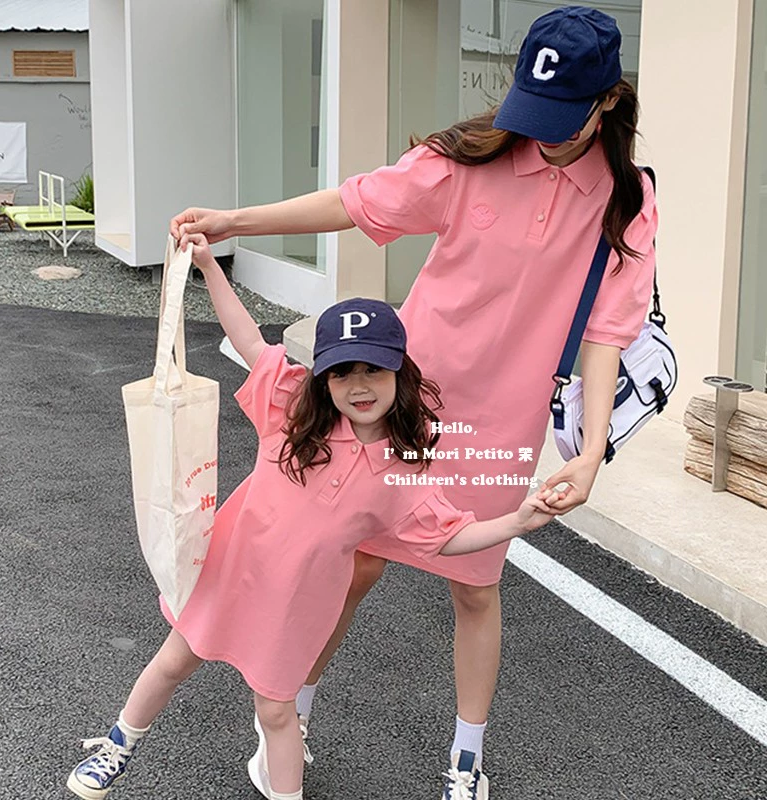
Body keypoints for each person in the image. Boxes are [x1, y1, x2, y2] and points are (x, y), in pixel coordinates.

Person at [170, 7, 657, 798]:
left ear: (607, 101)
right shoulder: (471, 161)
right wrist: (236, 222)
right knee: (352, 563)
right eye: (532, 110)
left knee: (475, 585)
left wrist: (591, 450)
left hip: (502, 422)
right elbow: (358, 202)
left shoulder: (627, 199)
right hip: (399, 405)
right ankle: (289, 715)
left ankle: (466, 758)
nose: (540, 133)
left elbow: (605, 334)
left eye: (563, 116)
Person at [66, 233, 566, 800]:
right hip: (228, 574)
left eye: (374, 370)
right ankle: (117, 746)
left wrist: (518, 522)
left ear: (400, 372)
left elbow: (448, 536)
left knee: (278, 713)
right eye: (341, 372)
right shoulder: (291, 412)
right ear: (323, 377)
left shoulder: (401, 467)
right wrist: (208, 264)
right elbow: (249, 338)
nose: (359, 386)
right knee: (173, 663)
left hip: (295, 607)